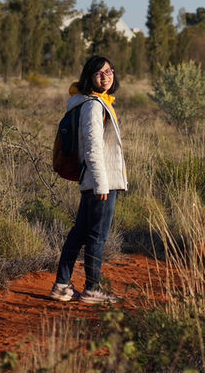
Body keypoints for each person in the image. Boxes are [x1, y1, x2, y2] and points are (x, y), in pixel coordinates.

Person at [50, 55, 127, 304]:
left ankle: (62, 285)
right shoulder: (93, 105)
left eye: (109, 71)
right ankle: (93, 289)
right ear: (89, 78)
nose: (105, 76)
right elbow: (92, 147)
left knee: (80, 233)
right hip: (100, 182)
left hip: (94, 180)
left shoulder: (96, 103)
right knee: (97, 236)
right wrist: (101, 184)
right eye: (99, 73)